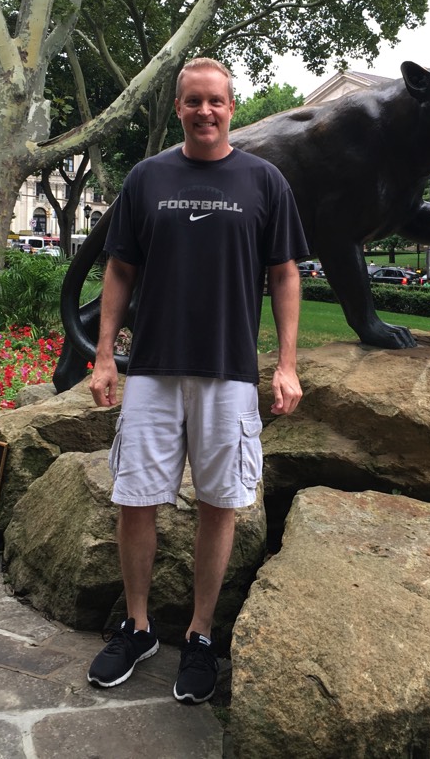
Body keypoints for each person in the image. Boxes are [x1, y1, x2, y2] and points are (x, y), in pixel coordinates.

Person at [85, 57, 309, 705]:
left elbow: (286, 274)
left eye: (215, 101)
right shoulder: (147, 178)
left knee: (220, 505)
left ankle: (202, 635)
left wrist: (287, 364)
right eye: (192, 101)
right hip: (151, 370)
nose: (204, 111)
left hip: (228, 372)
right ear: (179, 106)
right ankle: (138, 626)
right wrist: (104, 356)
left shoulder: (264, 181)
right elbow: (119, 271)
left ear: (231, 107)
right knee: (136, 500)